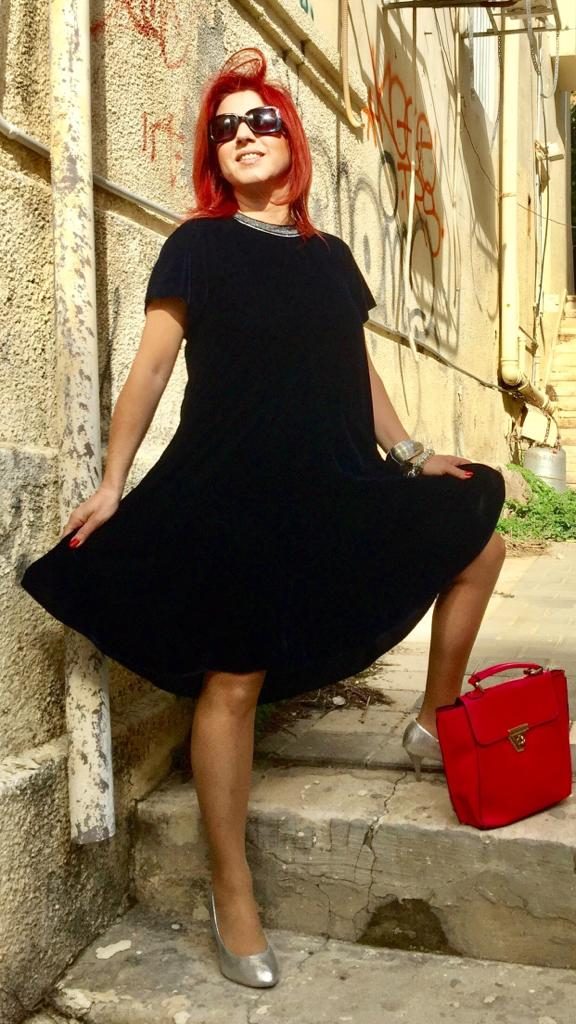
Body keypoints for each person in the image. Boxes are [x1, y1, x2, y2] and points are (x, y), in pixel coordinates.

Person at [20, 48, 506, 989]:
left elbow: (358, 372)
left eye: (261, 119)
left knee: (477, 533)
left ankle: (436, 717)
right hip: (232, 494)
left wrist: (412, 454)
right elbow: (150, 370)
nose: (243, 134)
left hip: (333, 483)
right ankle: (230, 886)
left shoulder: (332, 258)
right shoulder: (197, 246)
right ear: (215, 154)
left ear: (293, 139)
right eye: (225, 127)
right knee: (234, 679)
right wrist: (113, 480)